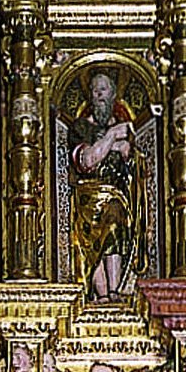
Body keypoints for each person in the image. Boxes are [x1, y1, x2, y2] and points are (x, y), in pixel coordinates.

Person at [70, 70, 138, 298]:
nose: (98, 94)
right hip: (87, 197)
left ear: (113, 94)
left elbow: (129, 155)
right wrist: (113, 136)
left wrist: (111, 145)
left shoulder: (124, 128)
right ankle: (101, 295)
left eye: (103, 89)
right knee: (90, 238)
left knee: (114, 219)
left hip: (116, 196)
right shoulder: (81, 128)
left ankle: (114, 291)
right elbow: (88, 160)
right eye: (94, 90)